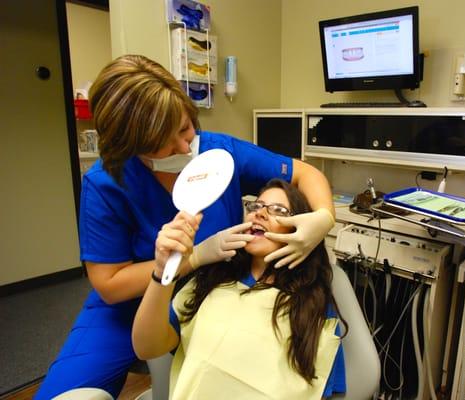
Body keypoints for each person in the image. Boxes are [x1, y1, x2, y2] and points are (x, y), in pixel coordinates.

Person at [35, 55, 336, 399]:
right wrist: (189, 259)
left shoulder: (219, 153)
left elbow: (305, 174)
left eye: (185, 128)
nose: (184, 147)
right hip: (129, 307)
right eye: (165, 142)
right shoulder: (106, 184)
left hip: (214, 292)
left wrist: (323, 218)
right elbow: (110, 284)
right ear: (132, 148)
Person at [132, 179, 346, 399]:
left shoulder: (312, 304)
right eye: (255, 206)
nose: (260, 213)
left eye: (279, 210)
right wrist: (163, 271)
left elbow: (321, 390)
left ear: (301, 231)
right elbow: (146, 347)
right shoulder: (210, 282)